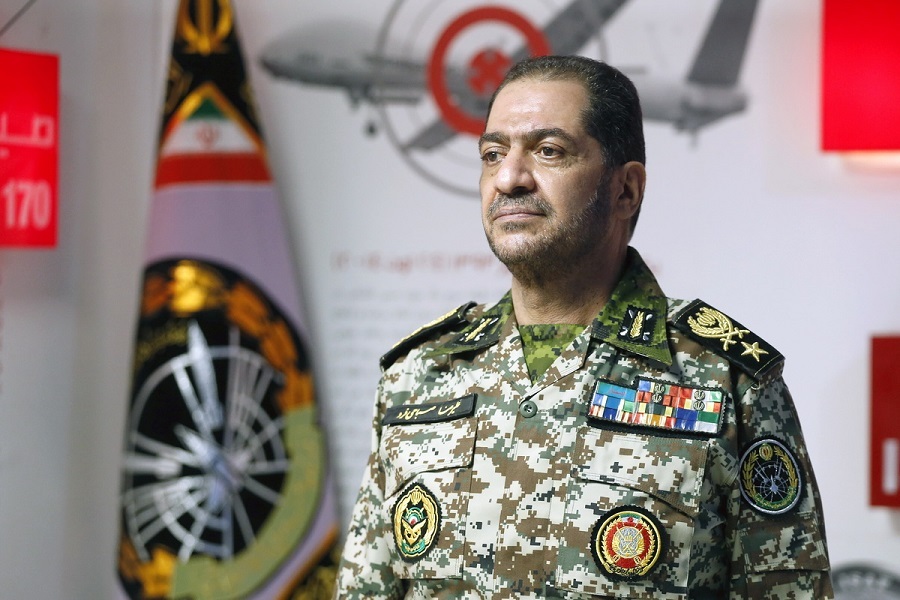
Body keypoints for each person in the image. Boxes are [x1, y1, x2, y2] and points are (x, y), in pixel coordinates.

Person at [334, 55, 833, 598]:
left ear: (626, 190)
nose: (509, 178)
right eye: (493, 154)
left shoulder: (726, 382)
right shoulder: (419, 376)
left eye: (549, 151)